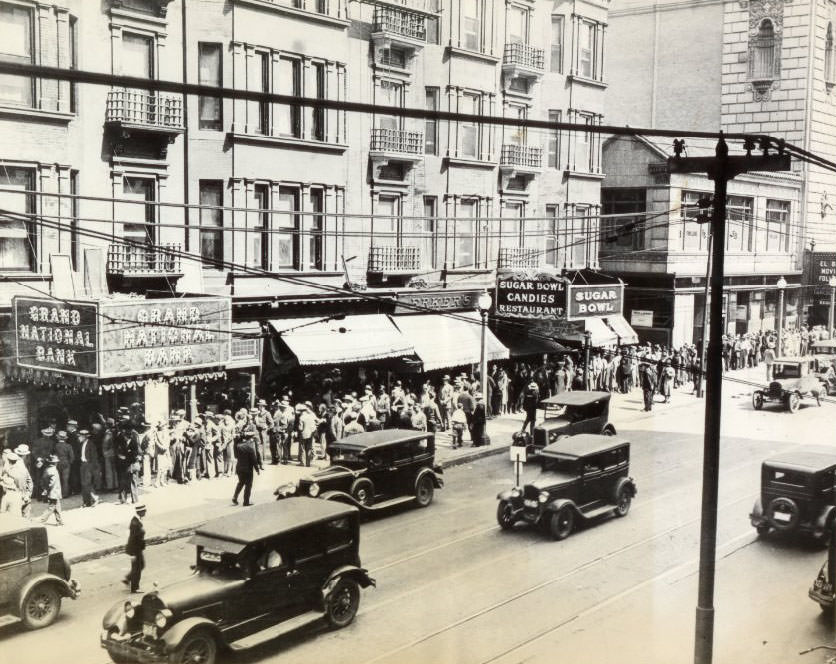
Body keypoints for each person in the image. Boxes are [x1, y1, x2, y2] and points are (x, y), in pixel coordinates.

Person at [232, 431, 260, 507]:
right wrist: (257, 469)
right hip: (248, 470)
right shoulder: (250, 448)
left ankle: (235, 496)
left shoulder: (238, 446)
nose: (253, 440)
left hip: (239, 468)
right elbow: (254, 460)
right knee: (248, 485)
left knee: (241, 482)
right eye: (252, 439)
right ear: (250, 439)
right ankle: (246, 501)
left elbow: (236, 456)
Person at [123, 504, 147, 593]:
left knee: (140, 566)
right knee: (137, 568)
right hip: (135, 550)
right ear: (140, 512)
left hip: (137, 549)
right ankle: (135, 588)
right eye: (144, 511)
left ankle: (128, 578)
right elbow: (132, 539)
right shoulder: (135, 524)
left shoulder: (136, 521)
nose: (146, 512)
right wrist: (132, 554)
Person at [39, 455, 63, 526]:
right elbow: (52, 483)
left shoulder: (47, 469)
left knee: (57, 506)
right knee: (51, 507)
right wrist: (48, 489)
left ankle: (59, 521)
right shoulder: (54, 471)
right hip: (54, 492)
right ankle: (42, 520)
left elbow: (43, 481)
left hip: (52, 492)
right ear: (55, 463)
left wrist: (45, 489)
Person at [78, 430, 100, 507]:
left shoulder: (91, 444)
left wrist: (92, 468)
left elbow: (94, 457)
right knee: (83, 484)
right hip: (83, 465)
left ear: (85, 436)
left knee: (87, 483)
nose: (79, 437)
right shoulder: (81, 444)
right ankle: (86, 502)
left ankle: (95, 498)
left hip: (89, 466)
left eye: (81, 436)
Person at [54, 431, 74, 499]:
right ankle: (65, 494)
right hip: (66, 463)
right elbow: (72, 457)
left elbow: (54, 455)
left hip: (58, 463)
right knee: (65, 479)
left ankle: (59, 494)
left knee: (58, 479)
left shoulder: (56, 446)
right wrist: (69, 462)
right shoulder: (68, 446)